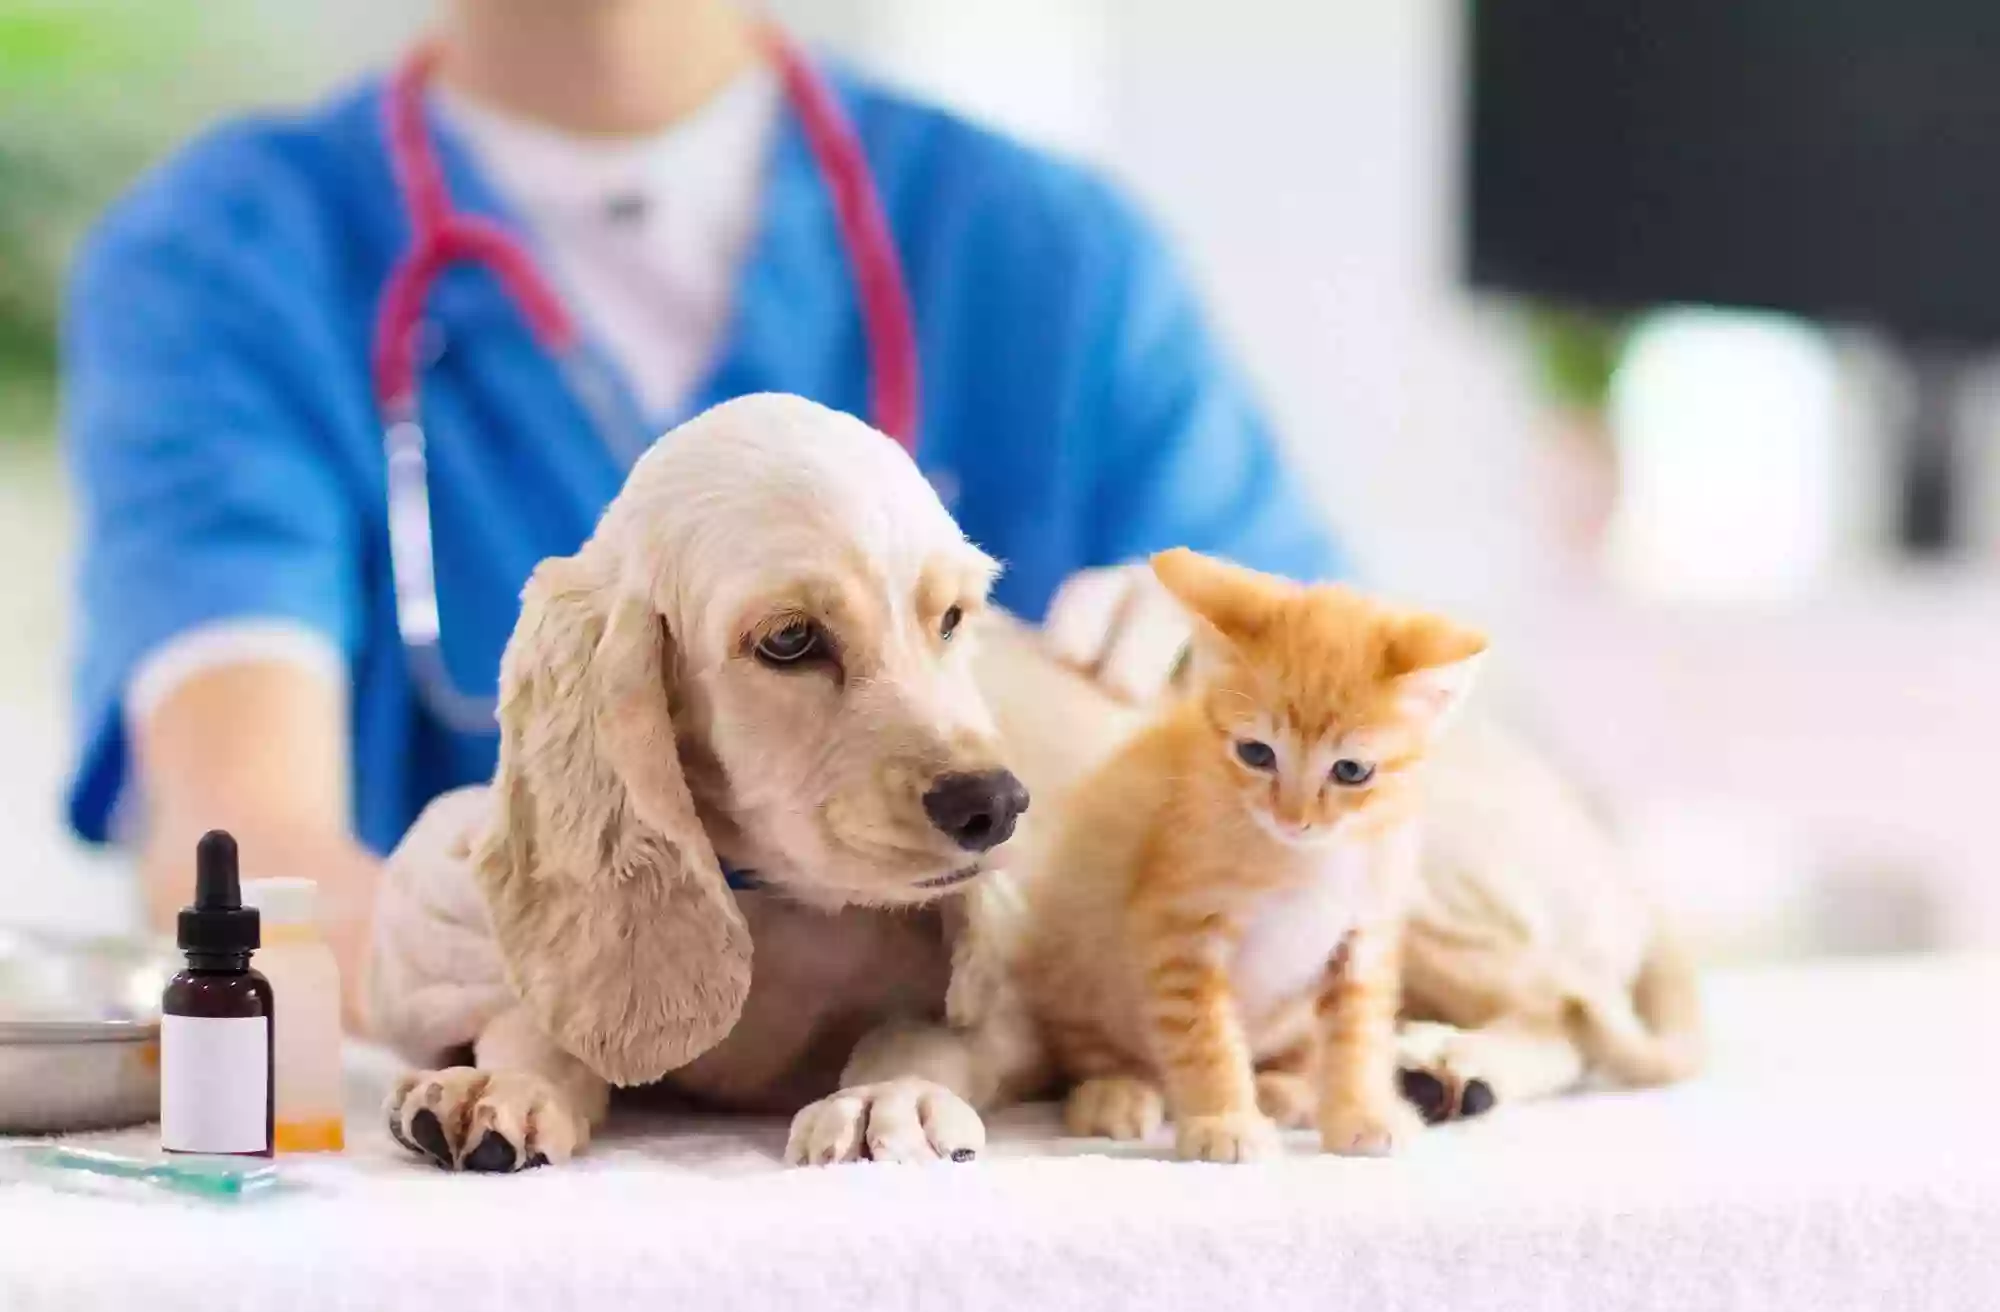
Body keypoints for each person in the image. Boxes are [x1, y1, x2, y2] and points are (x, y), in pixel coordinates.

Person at [61, 0, 1340, 1027]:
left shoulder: (1048, 253)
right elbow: (236, 835)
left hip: (962, 1095)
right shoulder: (227, 257)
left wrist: (1234, 698)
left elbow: (1375, 735)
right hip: (499, 1144)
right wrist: (440, 954)